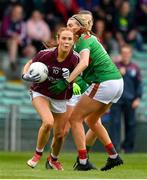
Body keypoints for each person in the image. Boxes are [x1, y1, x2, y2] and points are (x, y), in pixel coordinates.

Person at [49, 14, 124, 171]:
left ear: (80, 27)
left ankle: (83, 161)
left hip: (105, 81)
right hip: (116, 81)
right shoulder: (87, 38)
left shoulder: (83, 40)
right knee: (92, 120)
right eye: (67, 25)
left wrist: (66, 81)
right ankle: (114, 157)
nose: (68, 28)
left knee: (75, 119)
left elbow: (83, 63)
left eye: (71, 25)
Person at [22, 27, 79, 170]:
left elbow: (78, 75)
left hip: (61, 98)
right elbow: (30, 63)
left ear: (73, 41)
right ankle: (37, 155)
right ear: (58, 39)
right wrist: (25, 75)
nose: (66, 42)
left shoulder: (75, 59)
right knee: (48, 122)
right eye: (64, 38)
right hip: (41, 93)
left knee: (60, 134)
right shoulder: (44, 55)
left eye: (69, 39)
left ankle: (53, 159)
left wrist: (72, 82)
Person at [110, 44, 143, 153]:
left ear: (130, 54)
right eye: (123, 53)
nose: (125, 55)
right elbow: (109, 81)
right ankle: (114, 148)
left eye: (127, 53)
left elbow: (139, 85)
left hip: (130, 100)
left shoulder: (135, 68)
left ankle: (128, 148)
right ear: (121, 54)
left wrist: (138, 98)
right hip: (117, 99)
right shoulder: (115, 66)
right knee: (115, 123)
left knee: (131, 124)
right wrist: (118, 74)